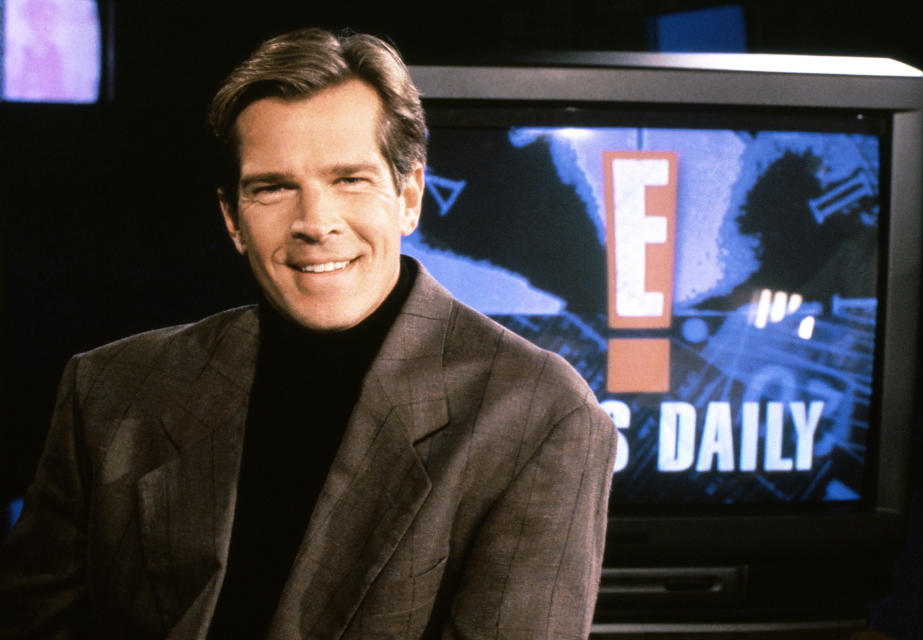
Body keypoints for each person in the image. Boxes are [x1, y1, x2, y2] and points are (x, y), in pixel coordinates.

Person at [0, 27, 617, 639]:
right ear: (233, 219)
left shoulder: (538, 415)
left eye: (349, 179)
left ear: (409, 196)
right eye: (273, 188)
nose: (315, 223)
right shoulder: (110, 389)